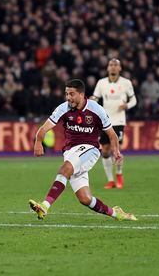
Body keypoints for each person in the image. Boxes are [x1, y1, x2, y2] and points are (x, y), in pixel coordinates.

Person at [29, 79, 137, 221]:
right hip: (70, 152)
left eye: (72, 94)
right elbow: (44, 128)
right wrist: (38, 142)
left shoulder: (96, 110)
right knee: (85, 199)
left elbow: (112, 135)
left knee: (64, 170)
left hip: (90, 150)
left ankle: (44, 206)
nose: (68, 97)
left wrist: (116, 151)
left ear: (81, 94)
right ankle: (117, 214)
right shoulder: (63, 108)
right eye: (66, 94)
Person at [91, 59, 137, 189]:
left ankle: (119, 174)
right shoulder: (101, 83)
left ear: (120, 68)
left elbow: (134, 99)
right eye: (111, 65)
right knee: (105, 151)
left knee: (115, 149)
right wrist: (89, 101)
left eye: (116, 65)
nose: (113, 67)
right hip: (104, 121)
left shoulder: (126, 83)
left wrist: (127, 105)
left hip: (119, 121)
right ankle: (110, 180)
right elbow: (95, 97)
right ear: (107, 68)